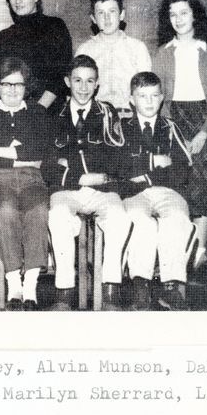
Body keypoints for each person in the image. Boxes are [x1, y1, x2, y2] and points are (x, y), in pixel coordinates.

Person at [45, 55, 132, 311]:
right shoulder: (53, 115)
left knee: (120, 218)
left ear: (97, 85)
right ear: (67, 82)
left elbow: (118, 159)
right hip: (67, 189)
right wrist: (80, 177)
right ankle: (64, 293)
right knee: (58, 216)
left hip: (103, 188)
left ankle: (110, 290)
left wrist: (94, 172)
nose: (83, 88)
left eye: (89, 81)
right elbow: (48, 166)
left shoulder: (107, 113)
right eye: (77, 80)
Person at [154, 0, 207, 271]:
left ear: (195, 15)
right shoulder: (162, 54)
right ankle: (176, 257)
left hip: (204, 122)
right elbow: (159, 97)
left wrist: (204, 132)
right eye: (173, 14)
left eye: (184, 12)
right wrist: (173, 132)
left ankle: (199, 256)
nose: (178, 19)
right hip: (173, 120)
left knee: (205, 191)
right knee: (178, 188)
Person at [0, 57, 52, 311]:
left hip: (32, 179)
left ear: (26, 86)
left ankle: (30, 287)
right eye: (6, 84)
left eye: (18, 85)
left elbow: (41, 154)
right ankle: (13, 283)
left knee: (38, 212)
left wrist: (1, 151)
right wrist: (18, 152)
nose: (12, 90)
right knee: (5, 212)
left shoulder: (38, 112)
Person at [121, 72, 196, 311]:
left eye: (154, 96)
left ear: (162, 98)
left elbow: (182, 169)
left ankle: (171, 286)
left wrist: (143, 172)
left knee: (175, 218)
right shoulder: (121, 128)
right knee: (141, 222)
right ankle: (140, 284)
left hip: (167, 191)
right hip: (134, 194)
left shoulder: (170, 127)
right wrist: (155, 161)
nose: (149, 101)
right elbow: (119, 167)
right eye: (142, 96)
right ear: (132, 99)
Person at [0, 0, 72, 109]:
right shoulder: (3, 36)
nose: (18, 1)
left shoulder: (55, 26)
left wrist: (36, 112)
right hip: (10, 114)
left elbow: (60, 76)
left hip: (47, 112)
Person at [77, 0, 152, 115]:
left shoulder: (137, 48)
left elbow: (146, 90)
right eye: (100, 13)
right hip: (95, 117)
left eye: (112, 11)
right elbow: (77, 89)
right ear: (93, 19)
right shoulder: (85, 50)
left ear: (121, 15)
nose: (107, 18)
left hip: (130, 116)